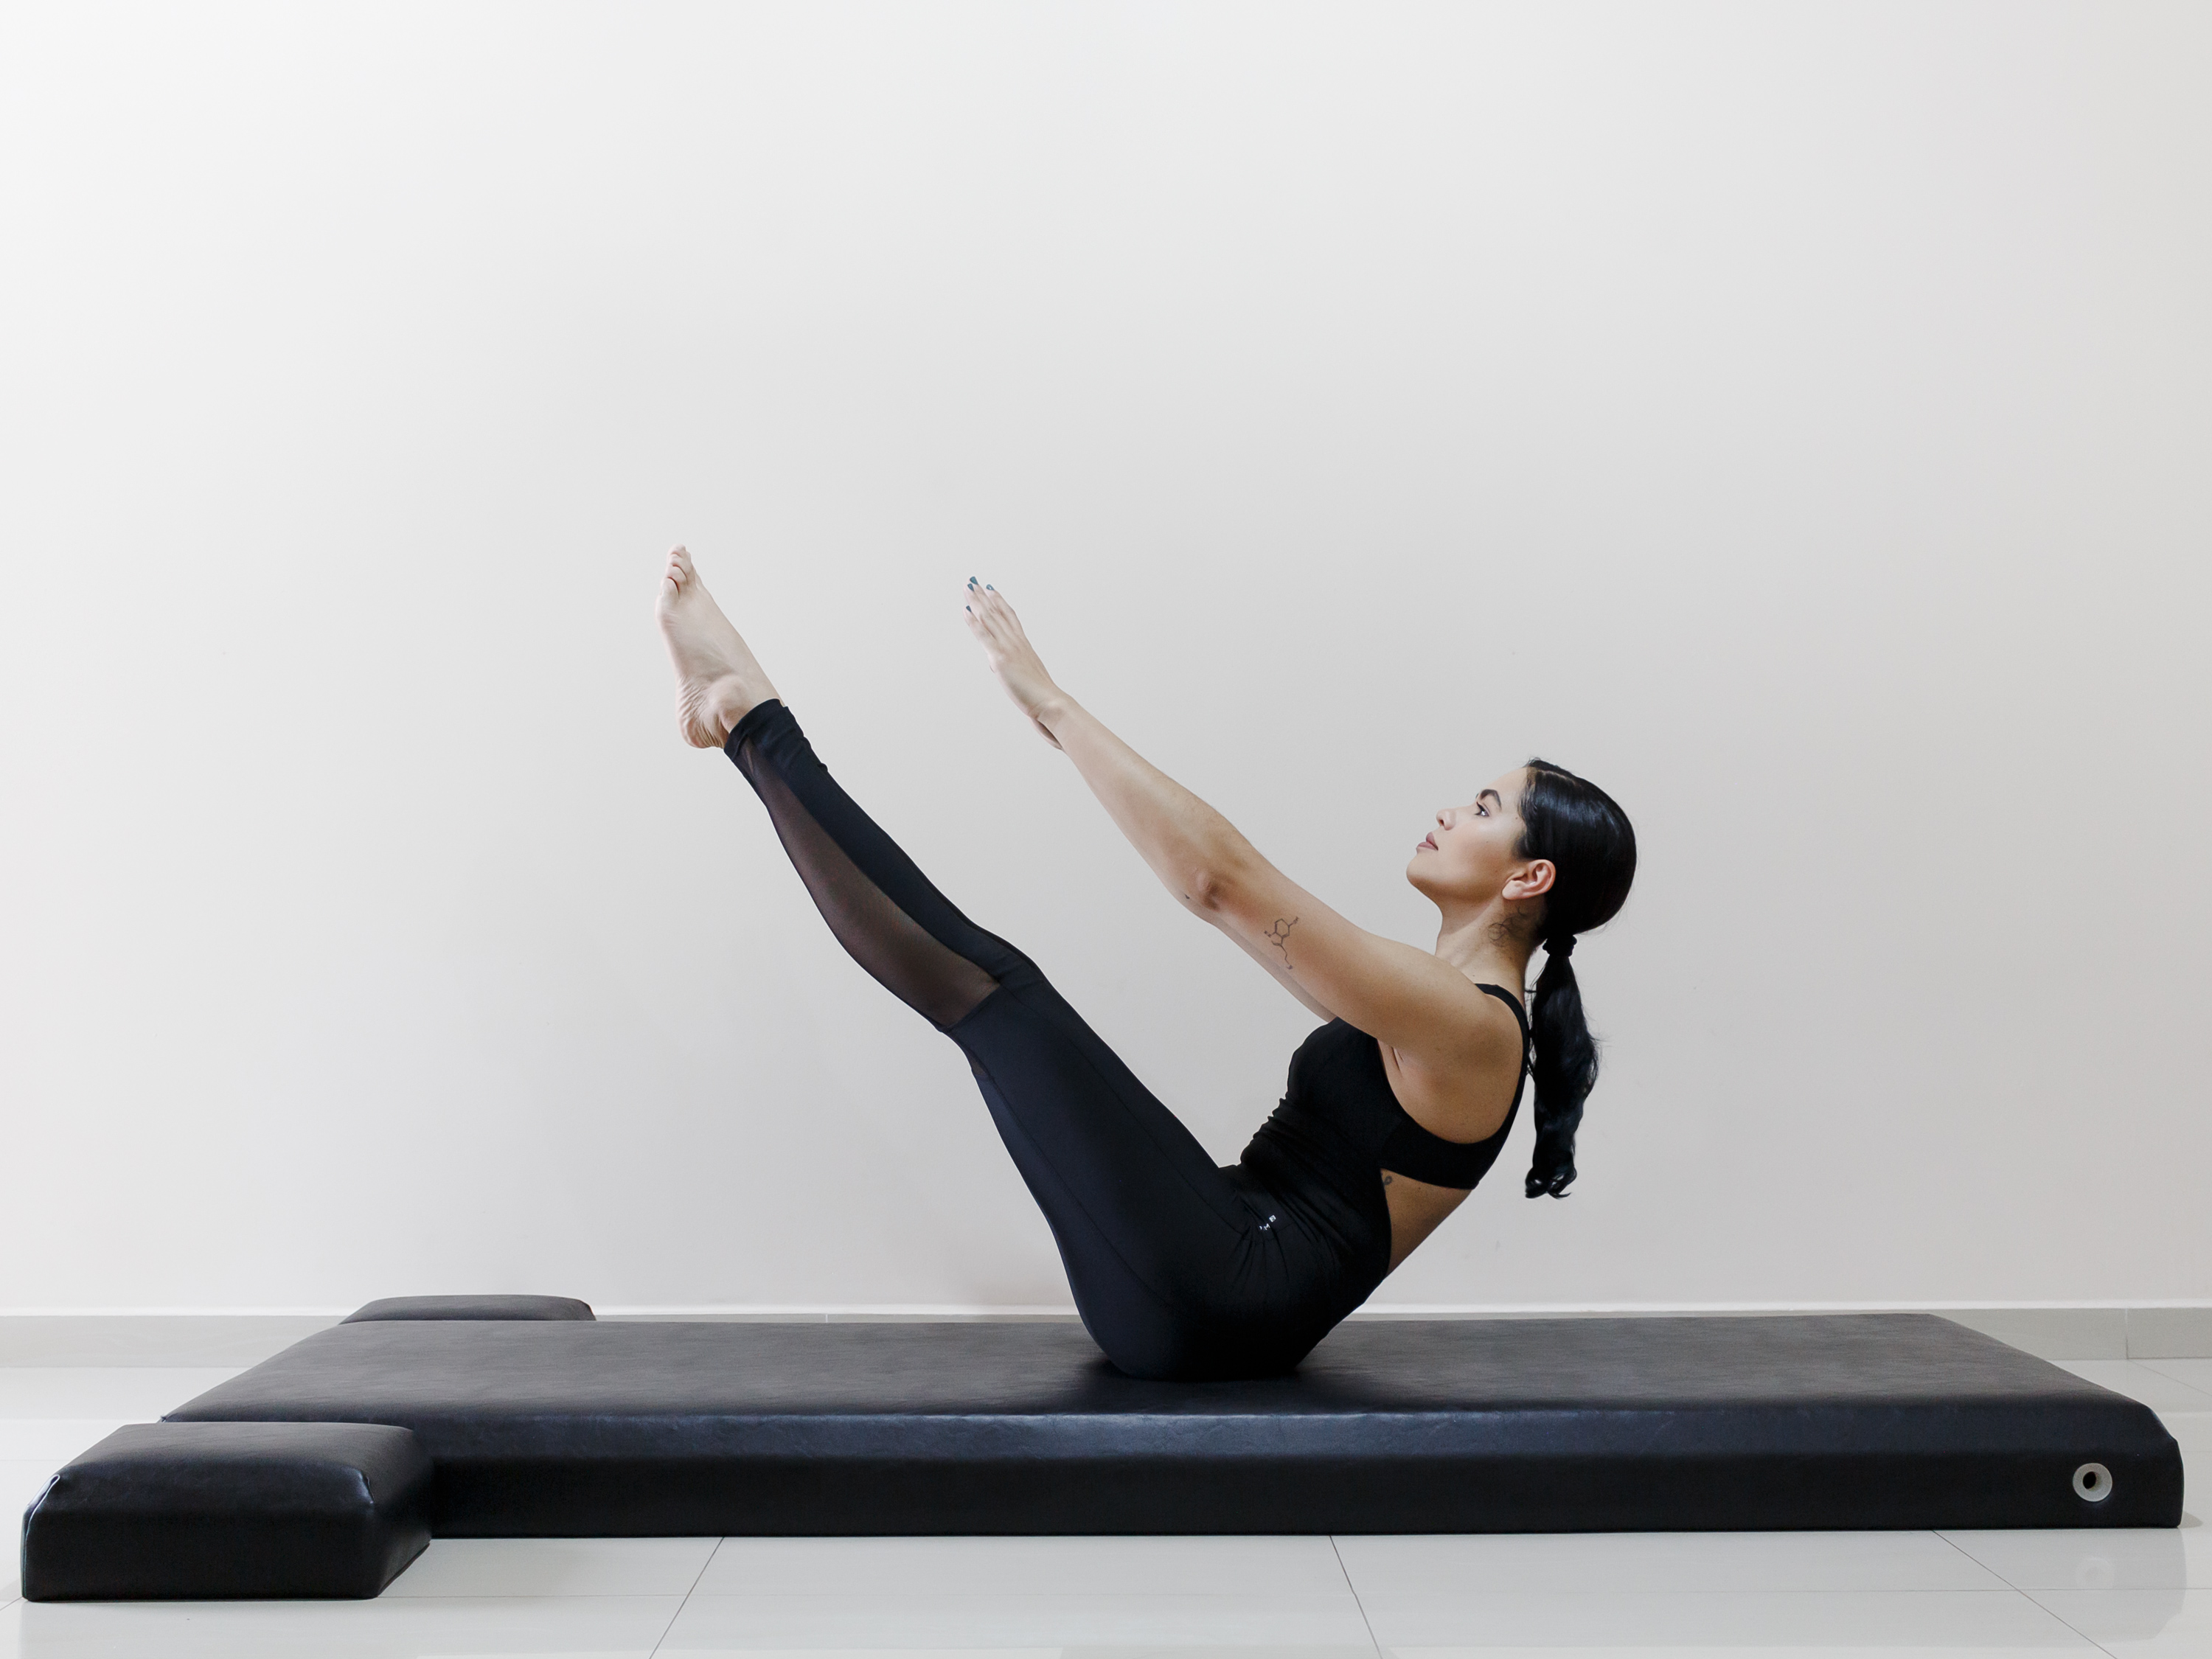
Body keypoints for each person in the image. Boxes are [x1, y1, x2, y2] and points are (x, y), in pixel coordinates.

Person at [657, 546, 1635, 1380]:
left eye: (1485, 809)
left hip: (1221, 1289)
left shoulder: (1473, 1027)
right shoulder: (1437, 1008)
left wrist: (1053, 703)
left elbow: (1219, 882)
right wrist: (1059, 729)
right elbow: (1220, 898)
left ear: (1529, 876)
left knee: (994, 993)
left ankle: (750, 718)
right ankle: (746, 721)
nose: (1453, 811)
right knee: (989, 1004)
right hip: (1208, 1279)